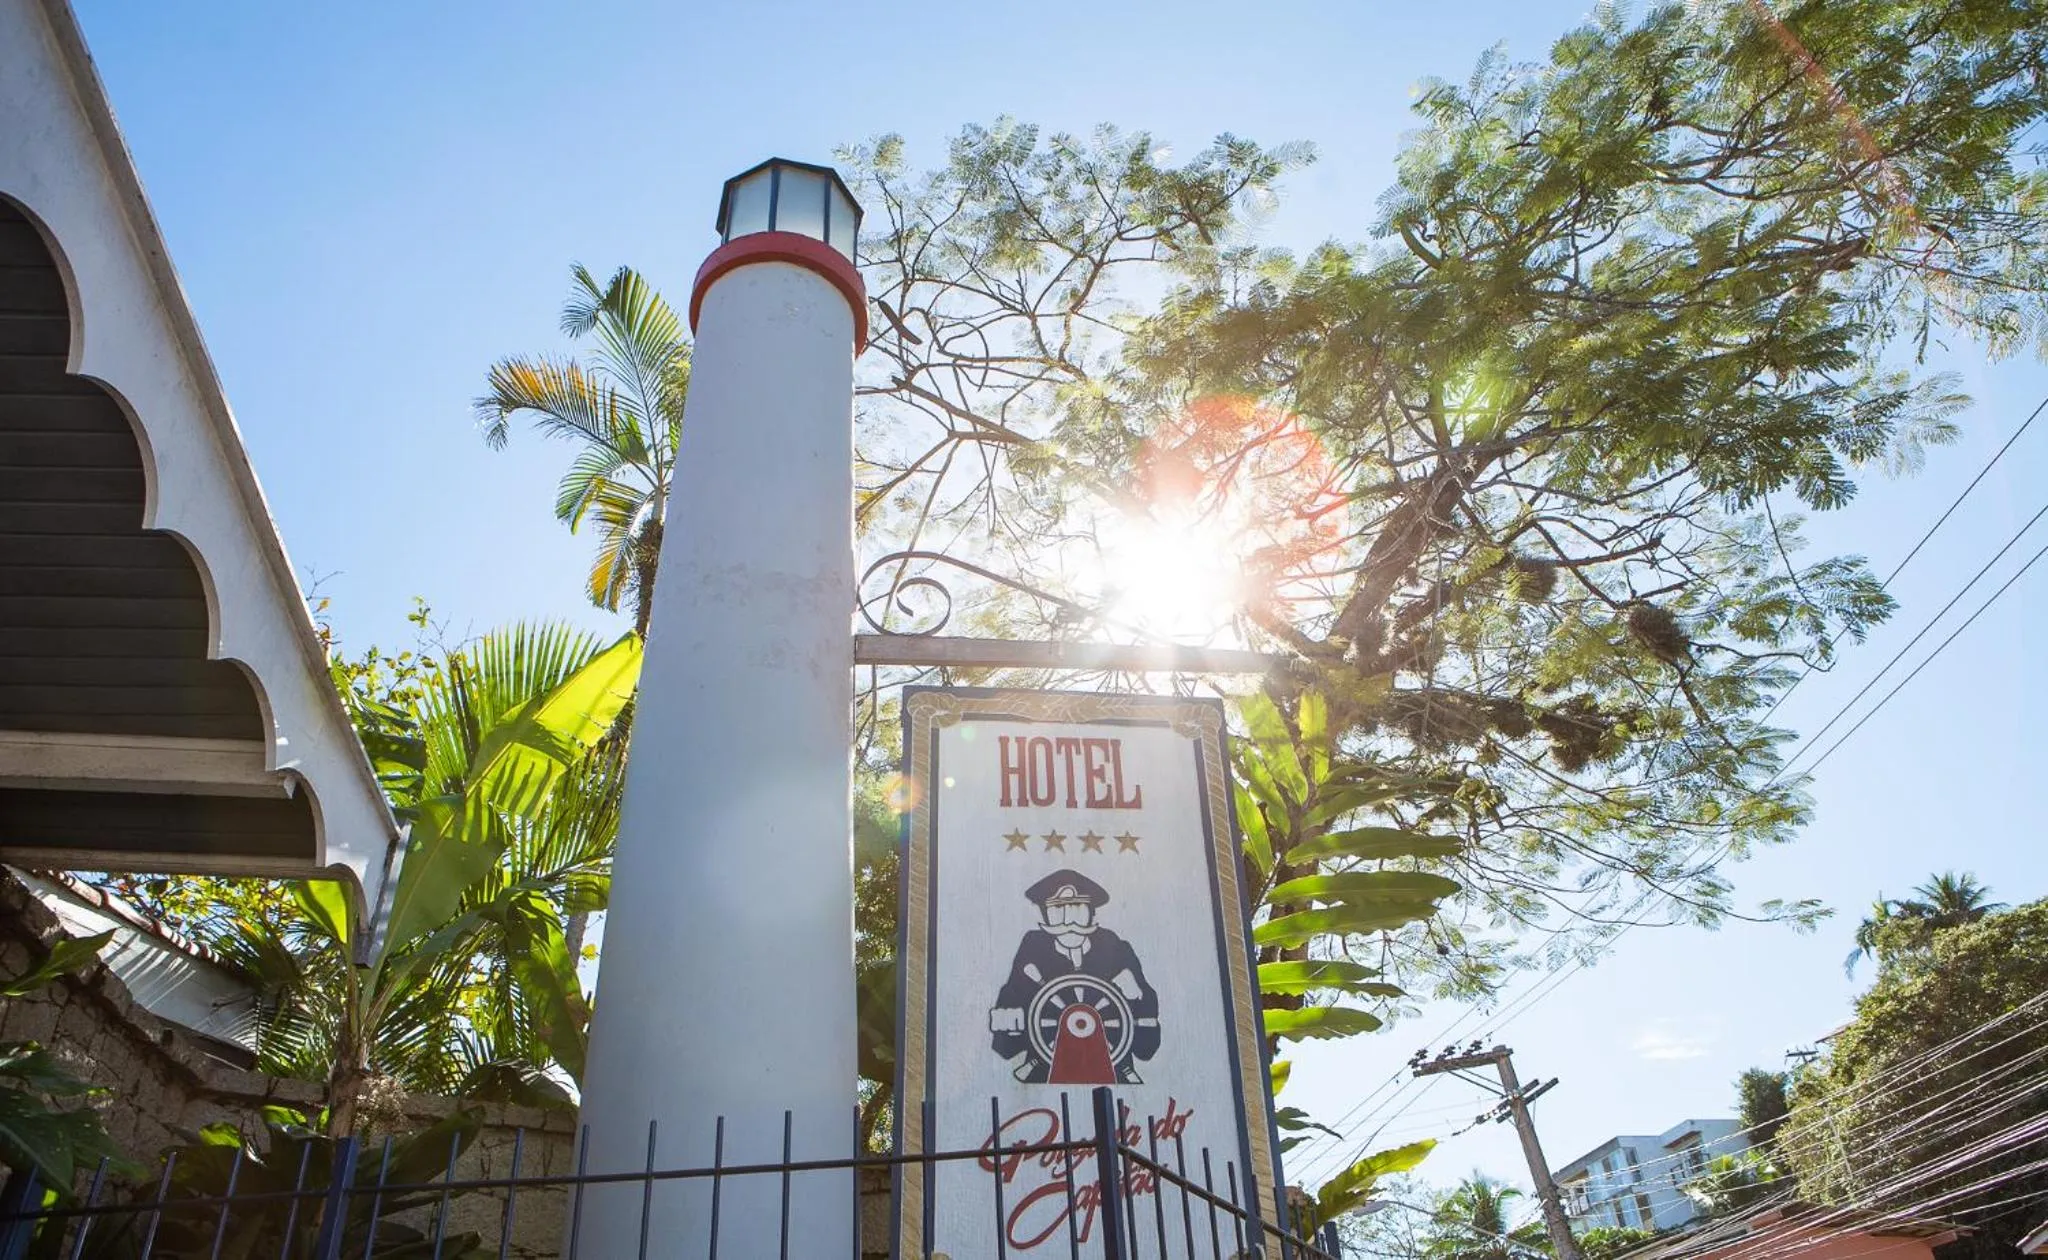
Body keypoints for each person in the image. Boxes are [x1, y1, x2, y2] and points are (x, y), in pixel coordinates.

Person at [988, 869, 1160, 1083]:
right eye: (1058, 909)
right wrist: (1008, 1023)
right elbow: (1005, 1046)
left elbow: (1147, 1049)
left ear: (1092, 913)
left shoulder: (1116, 949)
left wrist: (1138, 997)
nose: (1068, 919)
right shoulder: (1032, 950)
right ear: (1044, 914)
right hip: (1043, 1077)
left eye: (1078, 907)